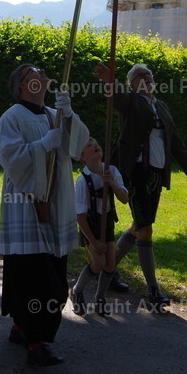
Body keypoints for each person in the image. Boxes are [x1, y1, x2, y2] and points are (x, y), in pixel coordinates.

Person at [0, 63, 88, 366]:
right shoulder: (12, 117)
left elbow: (78, 147)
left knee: (52, 268)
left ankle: (22, 327)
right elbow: (10, 158)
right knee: (34, 273)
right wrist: (41, 146)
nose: (41, 75)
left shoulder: (53, 115)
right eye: (32, 73)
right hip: (27, 205)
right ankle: (36, 342)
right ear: (22, 84)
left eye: (42, 71)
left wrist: (70, 115)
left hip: (56, 202)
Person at [94, 62, 187, 307]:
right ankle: (153, 290)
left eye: (149, 74)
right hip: (134, 173)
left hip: (156, 176)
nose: (146, 78)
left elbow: (175, 141)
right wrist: (110, 82)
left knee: (138, 226)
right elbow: (118, 99)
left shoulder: (162, 107)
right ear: (132, 83)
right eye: (140, 76)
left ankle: (107, 271)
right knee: (145, 229)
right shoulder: (131, 101)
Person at [71, 136, 128, 317]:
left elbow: (125, 199)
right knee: (98, 263)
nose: (95, 146)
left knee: (110, 264)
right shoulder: (82, 181)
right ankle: (77, 290)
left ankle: (100, 298)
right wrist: (93, 242)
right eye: (89, 145)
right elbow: (79, 216)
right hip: (90, 226)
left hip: (107, 222)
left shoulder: (111, 171)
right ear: (83, 157)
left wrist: (111, 183)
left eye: (96, 144)